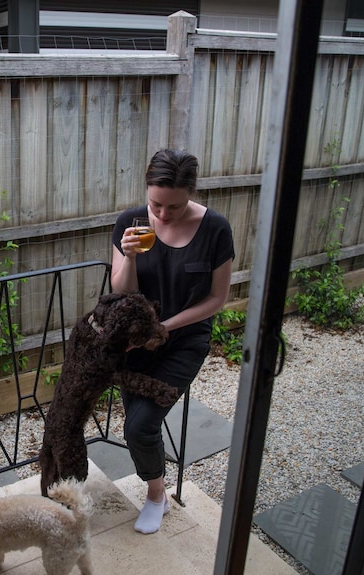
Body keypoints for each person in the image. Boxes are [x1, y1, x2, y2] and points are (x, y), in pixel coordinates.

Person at [110, 148, 235, 534]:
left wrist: (165, 327)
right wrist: (128, 257)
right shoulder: (130, 222)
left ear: (191, 194)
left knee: (140, 426)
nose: (163, 215)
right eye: (155, 204)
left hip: (183, 343)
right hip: (134, 345)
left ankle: (156, 496)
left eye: (174, 207)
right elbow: (121, 293)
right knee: (136, 422)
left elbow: (217, 299)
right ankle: (156, 487)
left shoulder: (215, 229)